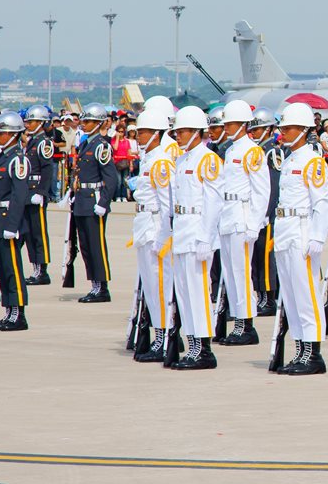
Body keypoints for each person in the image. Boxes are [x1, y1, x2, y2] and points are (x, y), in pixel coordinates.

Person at [270, 102, 328, 374]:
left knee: (307, 295)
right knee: (292, 297)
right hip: (286, 230)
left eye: (290, 127)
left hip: (303, 231)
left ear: (304, 130)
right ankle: (300, 350)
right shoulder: (290, 158)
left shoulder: (312, 161)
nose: (284, 131)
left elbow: (322, 203)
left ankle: (313, 353)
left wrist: (317, 237)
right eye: (283, 127)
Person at [169, 106, 225, 370]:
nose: (177, 136)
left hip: (197, 233)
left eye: (181, 131)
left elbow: (213, 202)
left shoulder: (208, 159)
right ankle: (191, 344)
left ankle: (203, 348)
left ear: (195, 132)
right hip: (182, 230)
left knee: (198, 292)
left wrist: (206, 237)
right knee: (184, 292)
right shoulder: (182, 160)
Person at [217, 100, 270, 346]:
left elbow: (262, 192)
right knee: (230, 273)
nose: (226, 127)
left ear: (242, 125)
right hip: (228, 215)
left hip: (242, 216)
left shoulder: (252, 151)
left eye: (230, 123)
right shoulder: (230, 150)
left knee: (241, 273)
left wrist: (254, 225)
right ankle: (238, 321)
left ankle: (246, 324)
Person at [129, 109, 175, 362]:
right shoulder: (149, 159)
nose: (139, 136)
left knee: (160, 286)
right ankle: (158, 336)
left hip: (156, 226)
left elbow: (168, 205)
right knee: (151, 285)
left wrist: (164, 238)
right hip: (145, 224)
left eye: (144, 132)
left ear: (157, 134)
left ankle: (163, 339)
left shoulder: (161, 162)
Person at [0, 113, 30, 331]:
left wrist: (12, 226)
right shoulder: (1, 157)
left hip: (7, 222)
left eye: (1, 133)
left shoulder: (18, 159)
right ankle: (8, 311)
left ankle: (18, 313)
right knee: (1, 270)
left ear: (13, 135)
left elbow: (19, 196)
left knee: (12, 269)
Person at [73, 103, 118, 304]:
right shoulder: (84, 144)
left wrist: (104, 202)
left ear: (99, 123)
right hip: (82, 198)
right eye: (83, 121)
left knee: (96, 245)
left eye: (89, 121)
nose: (84, 124)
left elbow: (111, 178)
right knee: (85, 245)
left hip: (94, 200)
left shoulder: (101, 146)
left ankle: (102, 287)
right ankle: (94, 284)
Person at [248, 107, 282, 316]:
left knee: (266, 258)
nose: (255, 133)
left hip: (268, 213)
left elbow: (273, 185)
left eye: (259, 130)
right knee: (258, 257)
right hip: (259, 212)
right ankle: (261, 295)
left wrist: (267, 212)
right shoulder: (259, 150)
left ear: (269, 130)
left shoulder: (272, 151)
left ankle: (268, 298)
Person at [22, 105, 56, 286]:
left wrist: (42, 192)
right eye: (27, 121)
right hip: (28, 190)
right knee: (29, 232)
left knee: (39, 232)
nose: (28, 124)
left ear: (42, 122)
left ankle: (42, 270)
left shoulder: (43, 142)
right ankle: (35, 267)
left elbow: (47, 169)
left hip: (36, 191)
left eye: (32, 121)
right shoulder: (32, 141)